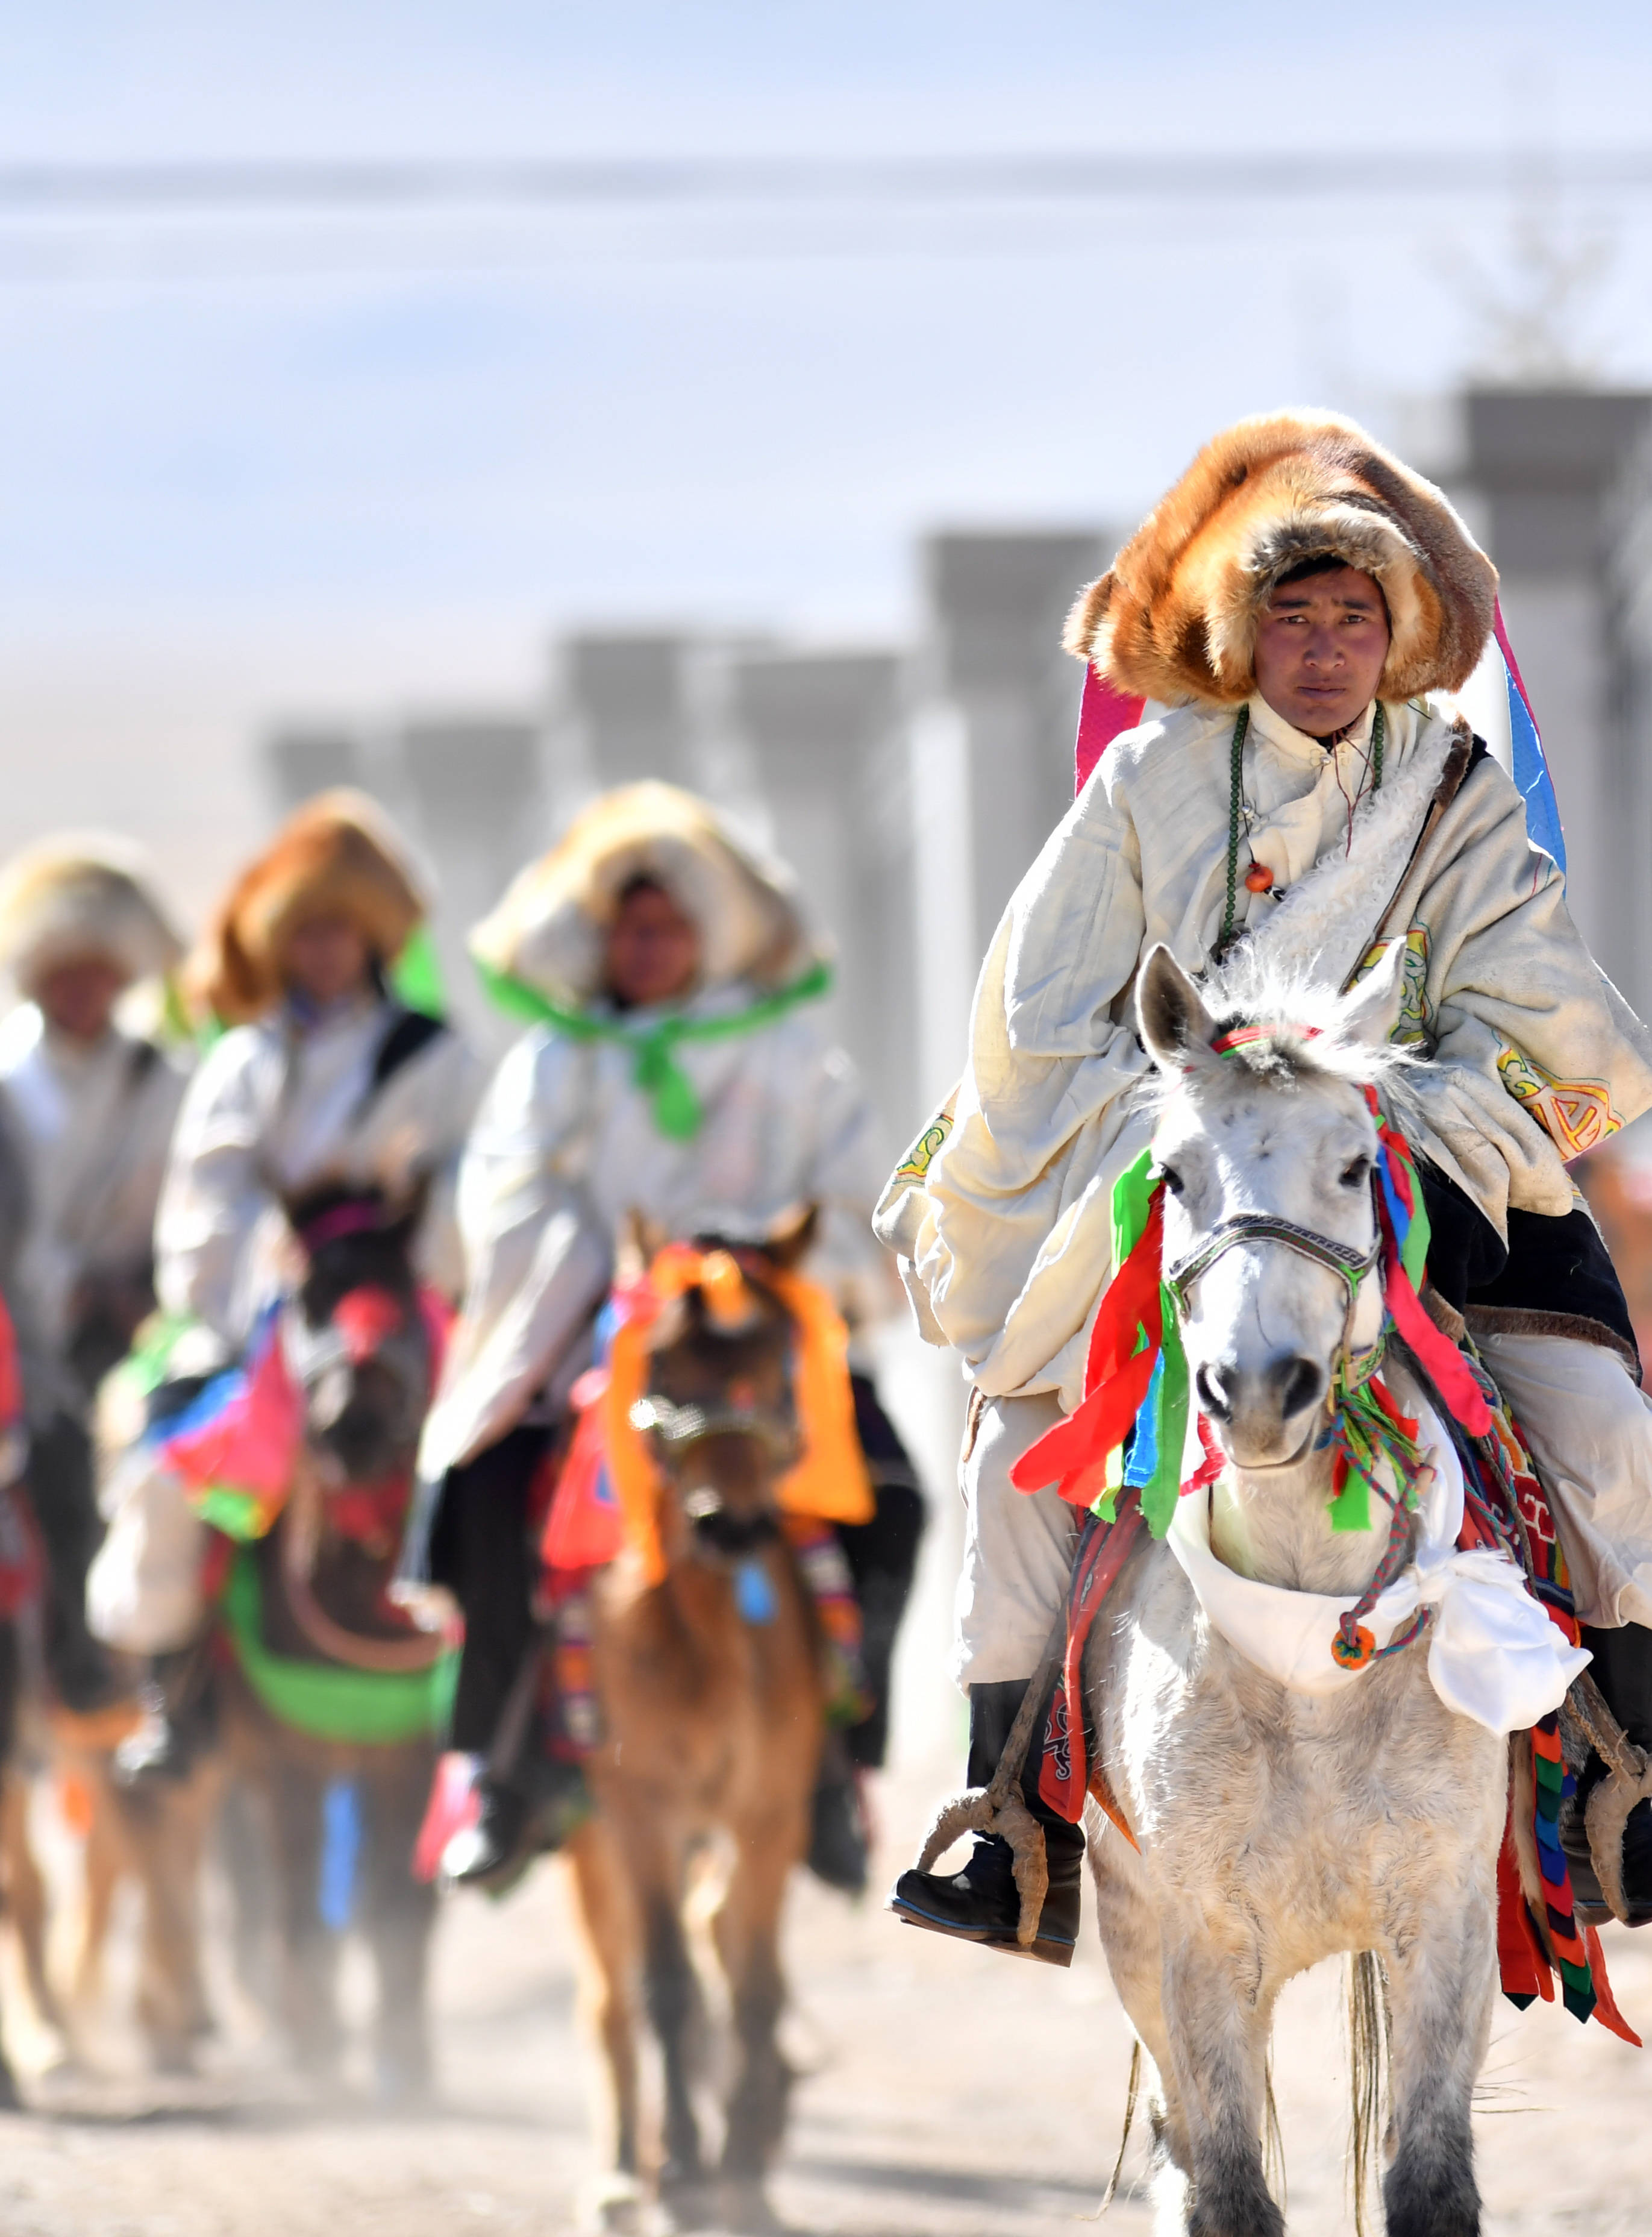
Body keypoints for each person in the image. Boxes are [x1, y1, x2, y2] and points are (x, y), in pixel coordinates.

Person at [879, 409, 1652, 1963]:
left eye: (1353, 616)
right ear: (1245, 632)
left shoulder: (1455, 792)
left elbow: (1549, 1012)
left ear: (1400, 632)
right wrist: (1198, 1095)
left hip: (1415, 1162)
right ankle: (1008, 1825)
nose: (1322, 646)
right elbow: (1041, 1017)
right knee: (1015, 1450)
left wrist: (1410, 1092)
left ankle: (1623, 1783)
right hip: (1196, 1169)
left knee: (1608, 1427)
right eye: (1291, 616)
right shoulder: (1153, 785)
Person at [402, 781, 924, 1890]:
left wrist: (760, 1266)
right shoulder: (551, 1063)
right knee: (487, 1497)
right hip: (601, 1340)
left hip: (765, 1340)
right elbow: (506, 1204)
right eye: (628, 928)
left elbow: (857, 1196)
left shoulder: (791, 1058)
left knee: (898, 1500)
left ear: (708, 931)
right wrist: (615, 1284)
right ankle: (502, 1767)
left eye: (668, 926)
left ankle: (838, 1762)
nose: (646, 947)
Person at [99, 791, 481, 1779]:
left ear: (371, 939)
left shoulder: (435, 1056)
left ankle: (522, 1704)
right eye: (306, 932)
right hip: (274, 1305)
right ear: (281, 943)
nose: (323, 951)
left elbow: (469, 1182)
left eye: (340, 932)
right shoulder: (242, 1061)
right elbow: (206, 1199)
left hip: (409, 1301)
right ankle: (171, 1688)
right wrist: (253, 1286)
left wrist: (422, 1260)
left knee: (515, 1454)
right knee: (168, 1452)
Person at [0, 839, 187, 1716]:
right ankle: (63, 1670)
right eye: (64, 973)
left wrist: (148, 1293)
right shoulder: (7, 1084)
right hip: (29, 1336)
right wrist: (62, 1287)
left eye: (98, 972)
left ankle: (183, 1681)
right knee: (50, 1480)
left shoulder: (168, 1081)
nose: (82, 991)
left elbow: (193, 1204)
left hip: (152, 1325)